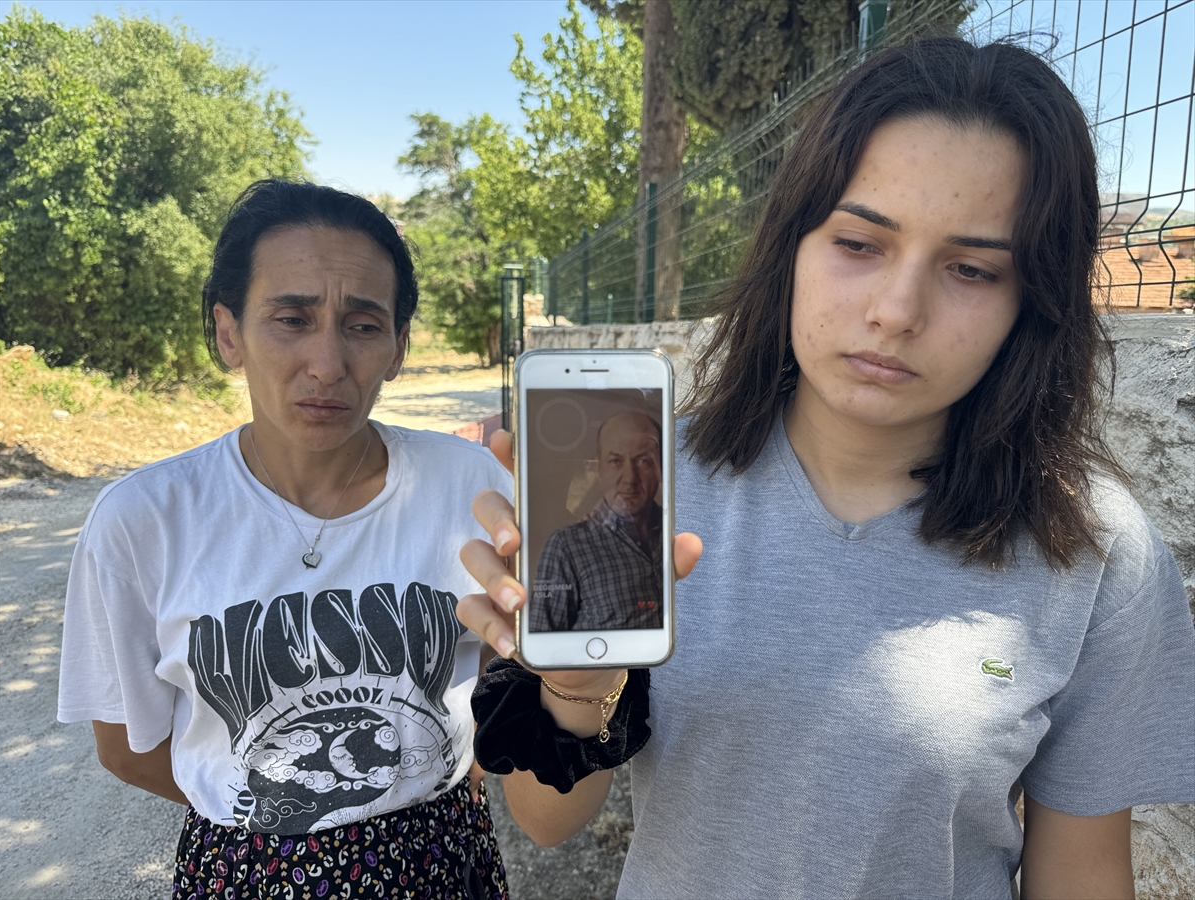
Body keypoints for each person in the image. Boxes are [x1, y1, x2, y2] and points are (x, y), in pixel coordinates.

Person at [457, 36, 1195, 899]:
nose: (897, 310)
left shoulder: (1095, 555)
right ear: (792, 248)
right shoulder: (662, 487)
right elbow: (546, 823)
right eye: (859, 243)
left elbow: (1083, 873)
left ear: (1031, 300)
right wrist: (574, 689)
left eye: (971, 268)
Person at [57, 180, 511, 899]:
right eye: (292, 319)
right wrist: (266, 815)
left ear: (398, 347)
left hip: (442, 858)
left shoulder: (472, 486)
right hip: (245, 871)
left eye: (363, 325)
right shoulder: (142, 521)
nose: (327, 363)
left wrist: (449, 779)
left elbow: (502, 669)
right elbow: (125, 747)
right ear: (228, 333)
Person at [530, 411, 664, 631]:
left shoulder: (680, 534)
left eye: (643, 461)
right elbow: (542, 639)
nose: (630, 478)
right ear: (600, 468)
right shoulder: (566, 546)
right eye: (615, 461)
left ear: (660, 468)